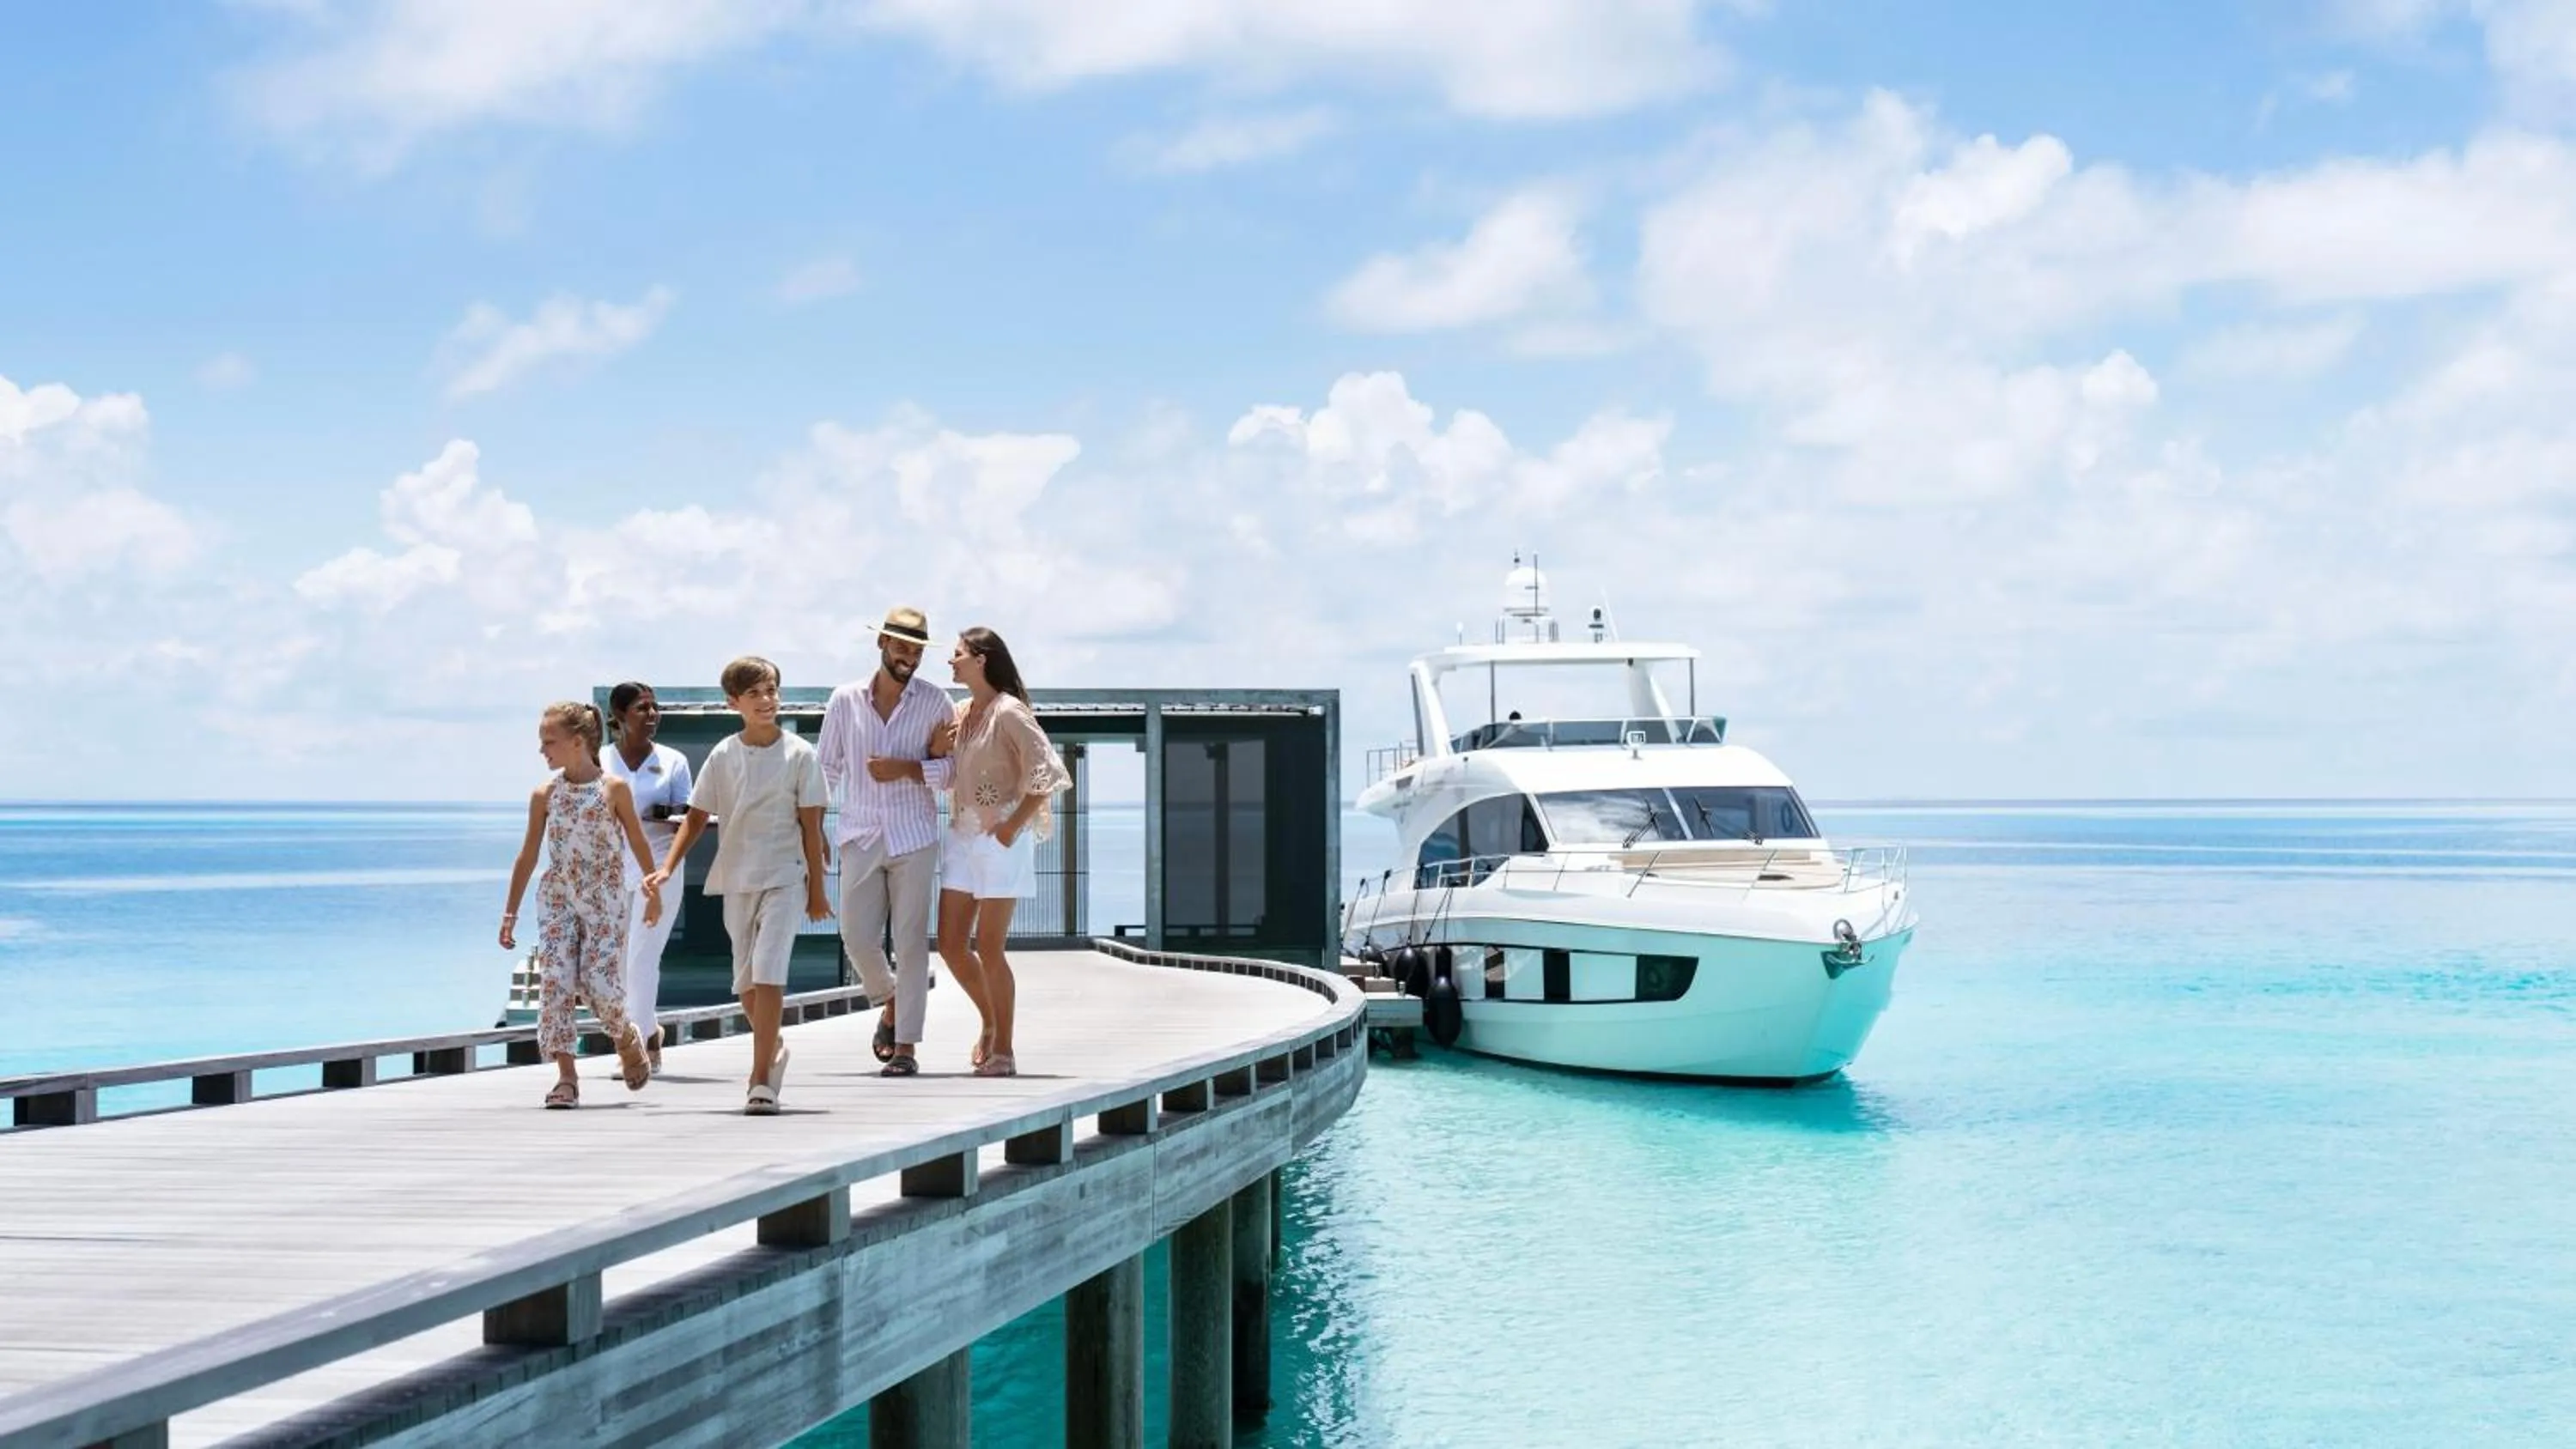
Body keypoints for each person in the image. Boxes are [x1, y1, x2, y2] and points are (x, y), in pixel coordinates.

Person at [646, 657, 830, 1116]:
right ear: (735, 703)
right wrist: (668, 867)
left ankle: (759, 1077)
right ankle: (774, 1047)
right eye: (755, 694)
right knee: (746, 983)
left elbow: (812, 827)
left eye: (771, 691)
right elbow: (696, 817)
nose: (766, 700)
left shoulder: (801, 755)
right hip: (737, 877)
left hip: (786, 875)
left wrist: (818, 890)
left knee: (769, 971)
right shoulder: (724, 755)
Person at [817, 607, 960, 1078]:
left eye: (917, 648)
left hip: (913, 836)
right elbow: (826, 768)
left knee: (911, 942)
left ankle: (906, 1047)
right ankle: (893, 1000)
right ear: (882, 645)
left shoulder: (938, 702)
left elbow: (952, 774)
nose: (909, 655)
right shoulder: (844, 700)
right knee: (855, 936)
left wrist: (907, 768)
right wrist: (814, 825)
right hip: (858, 833)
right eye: (901, 646)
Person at [500, 701, 659, 1109]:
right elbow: (527, 855)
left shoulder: (614, 790)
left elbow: (639, 843)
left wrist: (652, 890)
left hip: (604, 901)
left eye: (548, 741)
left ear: (577, 743)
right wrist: (510, 913)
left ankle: (624, 1034)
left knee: (600, 987)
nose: (542, 750)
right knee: (554, 981)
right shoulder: (544, 795)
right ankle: (566, 1078)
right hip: (558, 899)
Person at [936, 627, 1068, 1078]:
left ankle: (1004, 1050)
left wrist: (1012, 827)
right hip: (960, 835)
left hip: (1000, 838)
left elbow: (1049, 772)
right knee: (952, 945)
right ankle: (990, 1020)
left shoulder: (1010, 712)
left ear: (982, 659)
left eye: (957, 655)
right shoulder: (961, 710)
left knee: (990, 947)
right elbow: (946, 762)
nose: (950, 662)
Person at [601, 681, 692, 1073]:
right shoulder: (600, 759)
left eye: (655, 708)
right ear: (620, 715)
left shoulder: (674, 761)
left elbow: (689, 817)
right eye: (642, 708)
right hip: (610, 872)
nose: (652, 715)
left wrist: (669, 816)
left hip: (659, 869)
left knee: (642, 959)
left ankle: (635, 1051)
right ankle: (651, 1031)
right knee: (618, 965)